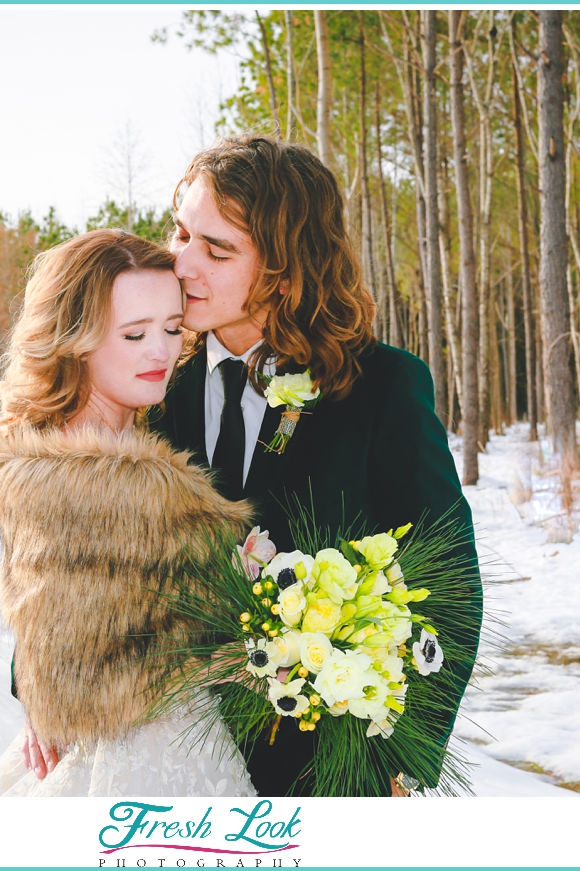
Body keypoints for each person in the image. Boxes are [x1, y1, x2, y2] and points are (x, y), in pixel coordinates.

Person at [153, 135, 483, 797]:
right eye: (180, 233)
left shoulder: (384, 388)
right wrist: (48, 682)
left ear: (285, 266)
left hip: (320, 784)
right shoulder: (145, 381)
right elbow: (71, 543)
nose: (181, 264)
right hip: (165, 768)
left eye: (217, 249)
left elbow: (449, 589)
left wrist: (396, 759)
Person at [0, 229, 256, 797]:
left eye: (174, 328)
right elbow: (68, 621)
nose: (161, 351)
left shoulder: (127, 436)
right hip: (138, 747)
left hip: (158, 740)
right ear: (76, 338)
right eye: (134, 333)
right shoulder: (100, 484)